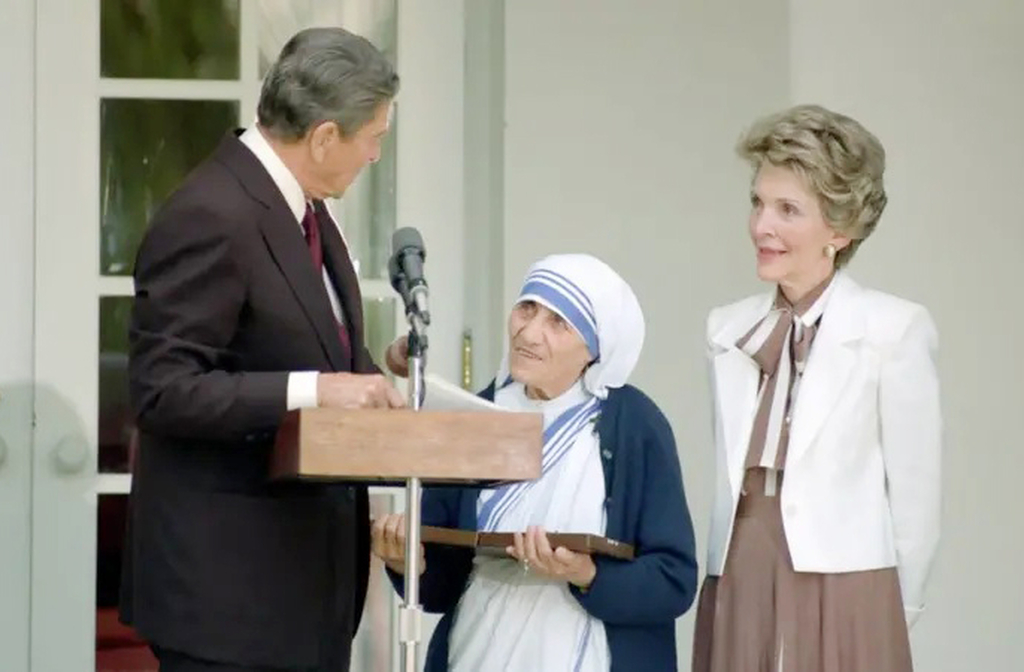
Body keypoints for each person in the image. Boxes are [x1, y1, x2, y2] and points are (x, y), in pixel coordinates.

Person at [120, 27, 407, 672]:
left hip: (302, 596)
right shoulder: (211, 212)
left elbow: (302, 346)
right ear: (326, 135)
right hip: (229, 603)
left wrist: (373, 376)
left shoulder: (307, 211)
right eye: (375, 139)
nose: (374, 157)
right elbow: (162, 388)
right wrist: (316, 389)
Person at [692, 104, 942, 672]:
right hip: (738, 564)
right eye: (757, 203)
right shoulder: (726, 330)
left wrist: (895, 608)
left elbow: (916, 493)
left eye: (787, 210)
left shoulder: (894, 329)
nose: (762, 227)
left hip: (850, 575)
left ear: (840, 228)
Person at [373, 253, 698, 671]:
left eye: (557, 322)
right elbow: (440, 586)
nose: (529, 332)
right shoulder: (476, 416)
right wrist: (406, 561)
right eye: (527, 309)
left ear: (595, 347)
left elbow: (673, 581)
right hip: (476, 652)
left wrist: (587, 574)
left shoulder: (634, 425)